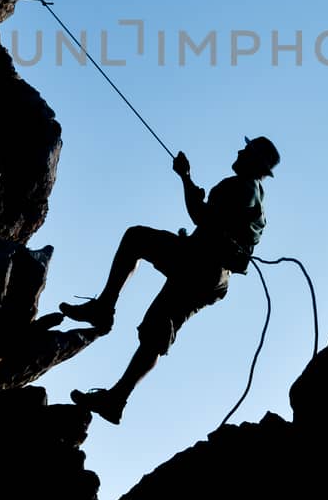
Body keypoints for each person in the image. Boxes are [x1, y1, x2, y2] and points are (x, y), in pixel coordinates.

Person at [62, 135, 282, 424]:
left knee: (136, 238)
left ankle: (104, 309)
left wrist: (185, 177)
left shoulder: (240, 187)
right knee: (158, 327)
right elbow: (214, 224)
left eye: (246, 149)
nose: (240, 150)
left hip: (199, 264)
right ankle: (116, 399)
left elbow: (200, 217)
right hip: (213, 277)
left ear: (254, 160)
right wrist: (192, 190)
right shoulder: (255, 194)